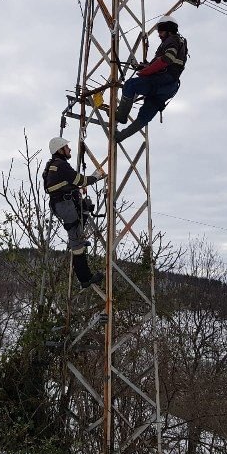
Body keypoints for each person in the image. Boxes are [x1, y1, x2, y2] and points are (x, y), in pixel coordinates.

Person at [43, 137, 106, 289]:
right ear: (60, 150)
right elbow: (81, 180)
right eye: (67, 147)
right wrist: (96, 177)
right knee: (77, 244)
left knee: (84, 211)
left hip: (63, 205)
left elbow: (66, 183)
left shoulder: (52, 165)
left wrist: (75, 188)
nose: (69, 149)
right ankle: (85, 278)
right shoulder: (61, 165)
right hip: (66, 206)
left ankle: (78, 239)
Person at [115, 15, 188, 142]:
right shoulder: (179, 42)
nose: (159, 34)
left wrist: (146, 71)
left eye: (160, 30)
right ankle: (120, 137)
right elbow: (166, 62)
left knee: (130, 85)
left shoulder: (172, 40)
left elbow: (168, 59)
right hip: (169, 87)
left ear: (168, 29)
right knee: (145, 116)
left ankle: (121, 116)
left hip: (163, 80)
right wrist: (145, 67)